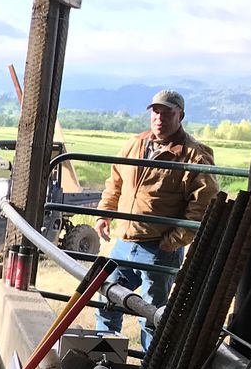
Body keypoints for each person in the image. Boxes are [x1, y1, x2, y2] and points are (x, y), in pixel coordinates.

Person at [93, 89, 217, 351]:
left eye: (167, 113)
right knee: (107, 299)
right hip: (125, 242)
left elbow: (204, 205)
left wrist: (173, 241)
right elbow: (115, 180)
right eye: (156, 112)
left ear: (180, 115)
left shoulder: (194, 155)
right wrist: (106, 212)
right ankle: (104, 361)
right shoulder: (135, 144)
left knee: (153, 316)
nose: (159, 118)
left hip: (158, 249)